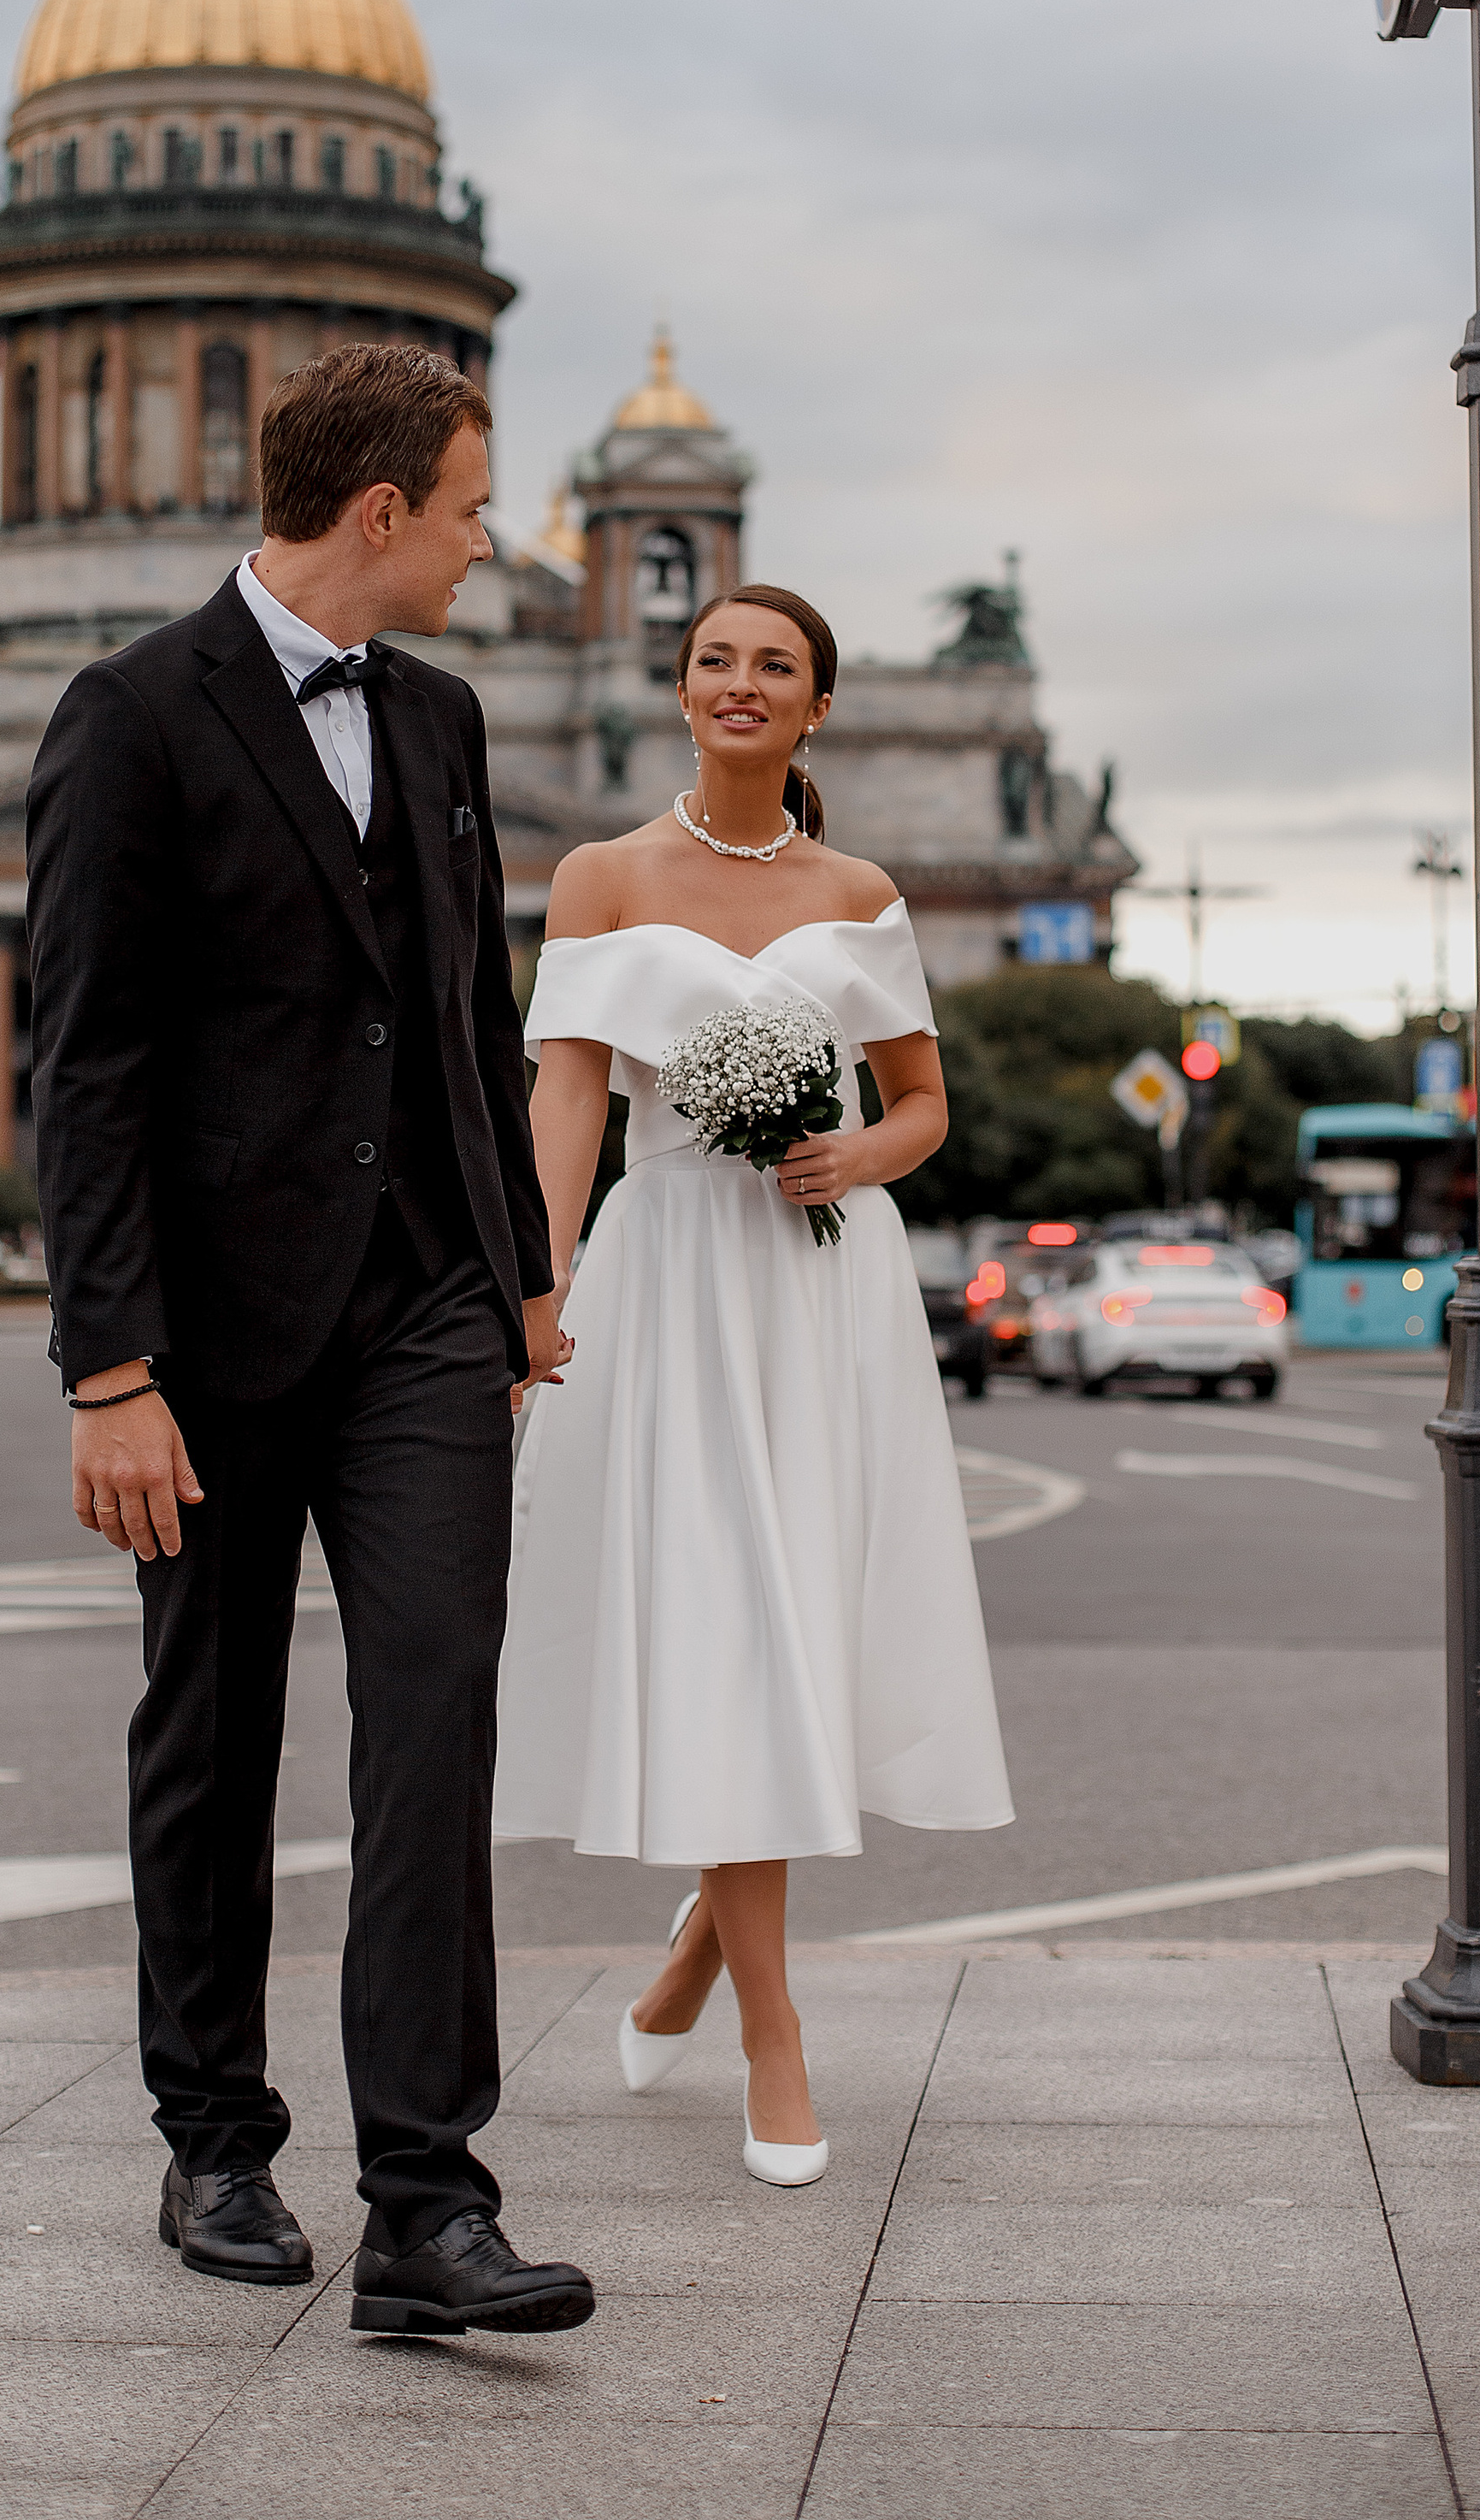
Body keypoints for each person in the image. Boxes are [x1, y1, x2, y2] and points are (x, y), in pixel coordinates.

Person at [27, 341, 593, 2338]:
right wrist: (110, 1369)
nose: (480, 540)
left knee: (432, 1718)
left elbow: (466, 1022)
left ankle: (426, 2205)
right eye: (462, 507)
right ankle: (215, 2135)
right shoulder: (126, 719)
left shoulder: (439, 722)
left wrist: (519, 1271)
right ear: (378, 513)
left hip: (427, 1308)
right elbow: (84, 1065)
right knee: (213, 1730)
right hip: (208, 1330)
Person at [497, 583, 1012, 2180]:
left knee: (795, 1628)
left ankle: (704, 1956)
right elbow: (567, 1100)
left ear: (815, 709)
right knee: (723, 1628)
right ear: (680, 687)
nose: (740, 684)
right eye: (715, 660)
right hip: (667, 1293)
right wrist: (540, 1283)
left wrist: (851, 1149)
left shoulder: (860, 891)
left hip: (818, 1289)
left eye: (773, 667)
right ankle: (775, 2041)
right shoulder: (597, 877)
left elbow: (923, 1107)